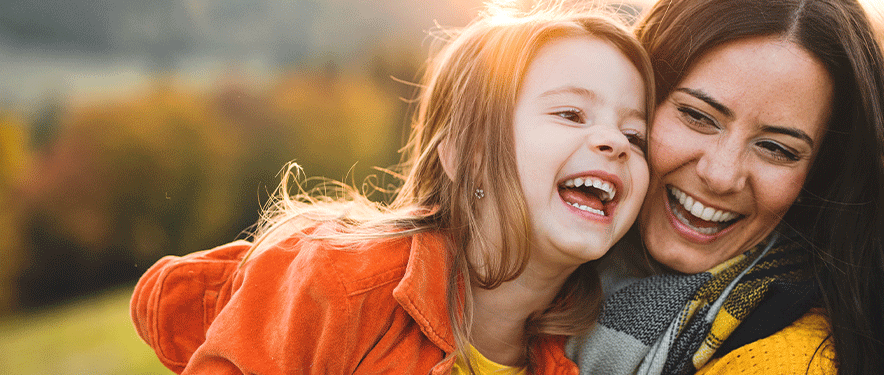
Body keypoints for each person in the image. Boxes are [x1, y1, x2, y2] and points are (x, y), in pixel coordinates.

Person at [130, 5, 655, 374]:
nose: (615, 141)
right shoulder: (336, 281)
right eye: (570, 113)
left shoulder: (571, 363)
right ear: (466, 155)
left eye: (635, 134)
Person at [569, 0, 884, 374]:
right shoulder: (546, 268)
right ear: (635, 100)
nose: (721, 175)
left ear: (820, 175)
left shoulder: (783, 363)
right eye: (697, 116)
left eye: (776, 148)